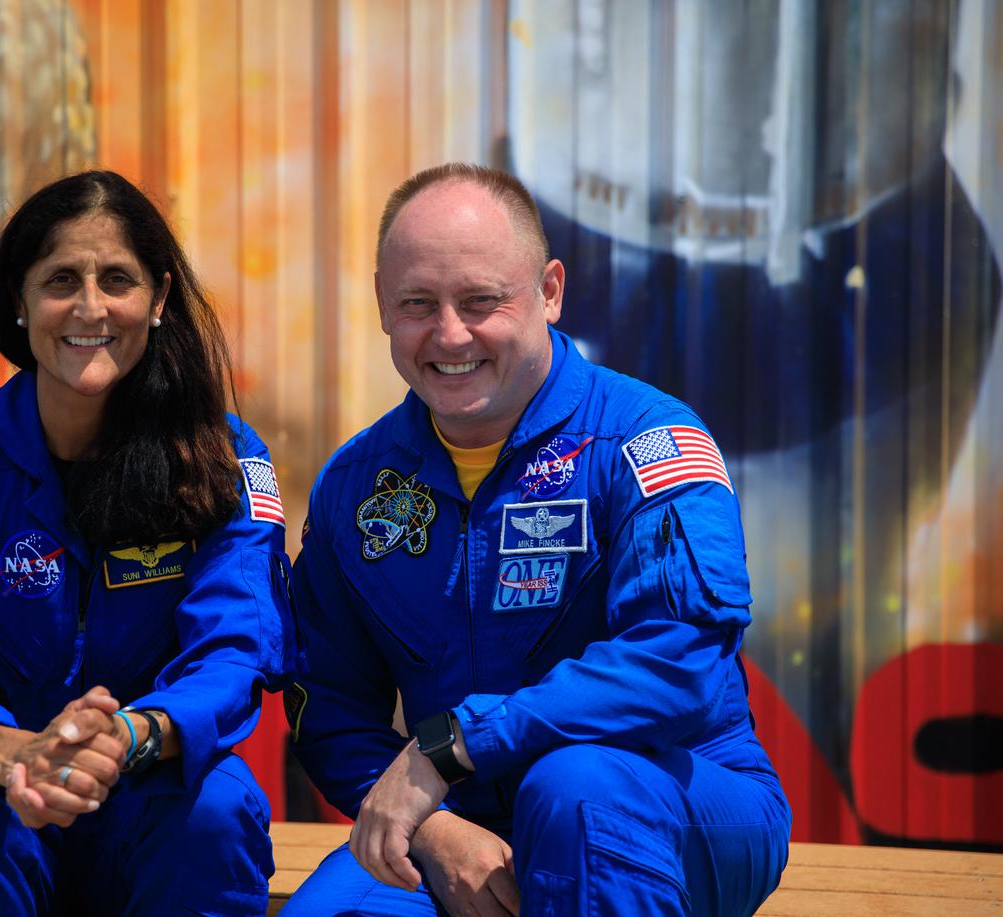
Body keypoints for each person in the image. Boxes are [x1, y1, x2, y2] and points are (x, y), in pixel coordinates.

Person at [281, 163, 791, 916]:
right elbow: (328, 706)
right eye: (418, 303)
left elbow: (677, 661)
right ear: (383, 304)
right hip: (457, 819)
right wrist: (436, 830)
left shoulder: (645, 443)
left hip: (673, 802)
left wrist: (458, 745)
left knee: (575, 792)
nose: (449, 334)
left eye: (480, 300)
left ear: (550, 292)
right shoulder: (354, 487)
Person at [0, 170, 295, 916]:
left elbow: (235, 647)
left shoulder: (224, 457)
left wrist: (129, 735)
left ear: (158, 299)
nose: (90, 307)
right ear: (19, 300)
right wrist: (19, 757)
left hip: (149, 788)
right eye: (61, 280)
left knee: (215, 810)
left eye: (117, 279)